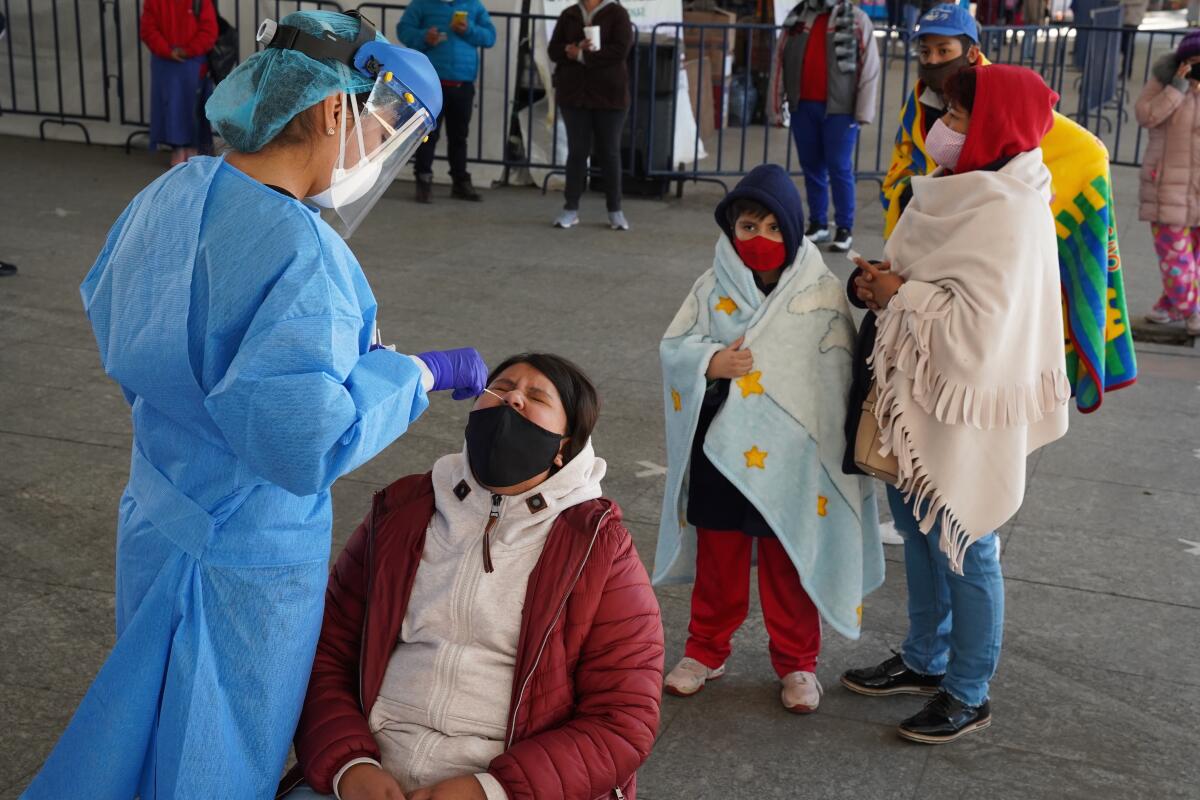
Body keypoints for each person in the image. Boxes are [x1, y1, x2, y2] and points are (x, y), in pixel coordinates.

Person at [20, 11, 490, 799]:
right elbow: (301, 442)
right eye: (385, 129)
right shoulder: (306, 256)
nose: (380, 155)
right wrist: (413, 373)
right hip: (245, 552)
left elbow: (127, 318)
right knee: (213, 746)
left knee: (138, 719)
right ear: (338, 109)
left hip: (159, 510)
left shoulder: (173, 192)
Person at [277, 353, 664, 800]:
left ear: (564, 447)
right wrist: (349, 766)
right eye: (500, 388)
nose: (513, 398)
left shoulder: (599, 548)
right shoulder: (402, 511)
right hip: (373, 770)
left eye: (536, 396)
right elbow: (326, 653)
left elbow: (622, 720)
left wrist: (490, 790)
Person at [843, 65, 1071, 744]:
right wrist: (878, 284)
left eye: (962, 115)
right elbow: (925, 272)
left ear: (996, 124)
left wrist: (899, 296)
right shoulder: (955, 187)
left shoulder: (1012, 207)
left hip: (968, 399)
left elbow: (983, 325)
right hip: (917, 391)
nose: (946, 128)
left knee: (968, 541)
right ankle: (924, 657)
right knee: (917, 529)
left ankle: (969, 691)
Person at [655, 164, 883, 712]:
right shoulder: (710, 287)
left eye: (774, 228)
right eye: (749, 228)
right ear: (732, 231)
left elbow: (835, 374)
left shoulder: (822, 292)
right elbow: (674, 345)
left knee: (791, 560)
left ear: (795, 230)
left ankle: (798, 662)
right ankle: (705, 650)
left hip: (794, 459)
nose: (761, 241)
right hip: (721, 455)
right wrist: (711, 360)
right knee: (720, 560)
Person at [879, 3, 1137, 413]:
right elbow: (906, 160)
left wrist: (902, 295)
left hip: (970, 384)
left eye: (943, 51)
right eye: (924, 53)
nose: (932, 62)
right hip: (934, 349)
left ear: (970, 50)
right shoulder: (921, 100)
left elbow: (977, 317)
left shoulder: (1002, 113)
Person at [770, 0, 881, 253]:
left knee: (839, 167)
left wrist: (863, 110)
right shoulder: (797, 17)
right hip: (803, 106)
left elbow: (870, 67)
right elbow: (779, 61)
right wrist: (775, 105)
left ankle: (844, 227)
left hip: (841, 110)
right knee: (812, 168)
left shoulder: (857, 19)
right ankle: (818, 223)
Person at [548, 0, 634, 231]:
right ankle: (570, 209)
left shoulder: (617, 13)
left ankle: (615, 211)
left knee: (609, 152)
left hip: (610, 95)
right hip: (574, 95)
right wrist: (570, 49)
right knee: (577, 151)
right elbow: (553, 49)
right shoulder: (569, 14)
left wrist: (582, 56)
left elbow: (620, 50)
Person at [399, 0, 497, 204]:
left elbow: (490, 37)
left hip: (462, 83)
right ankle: (424, 179)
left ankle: (460, 181)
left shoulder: (474, 6)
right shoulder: (421, 4)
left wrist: (468, 30)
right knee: (427, 134)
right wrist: (424, 37)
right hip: (430, 83)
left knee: (459, 136)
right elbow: (404, 30)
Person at [1135, 31, 1200, 336]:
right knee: (1176, 260)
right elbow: (1145, 115)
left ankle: (1170, 306)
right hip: (1166, 188)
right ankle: (1192, 311)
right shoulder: (1165, 82)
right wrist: (1178, 87)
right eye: (1191, 62)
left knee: (1193, 262)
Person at [140, 0, 218, 165]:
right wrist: (188, 51)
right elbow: (209, 32)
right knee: (193, 109)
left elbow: (148, 30)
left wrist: (167, 51)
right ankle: (193, 151)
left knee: (170, 108)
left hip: (165, 64)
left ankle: (178, 151)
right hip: (193, 63)